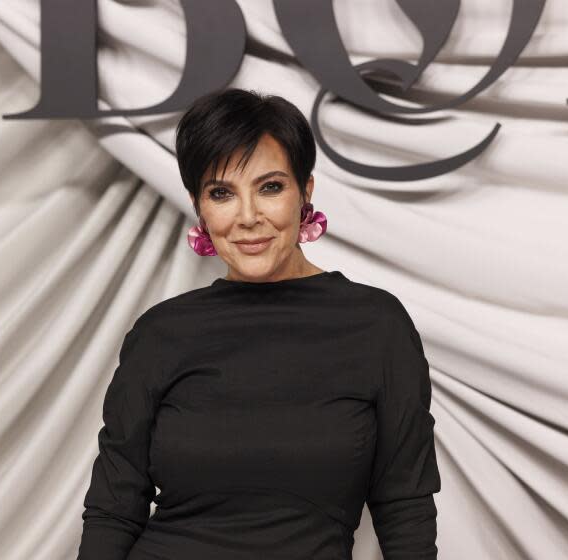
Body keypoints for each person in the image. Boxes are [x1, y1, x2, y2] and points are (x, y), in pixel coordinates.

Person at [77, 88, 441, 559]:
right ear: (199, 206)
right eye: (222, 193)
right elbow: (114, 508)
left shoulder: (376, 326)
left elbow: (405, 508)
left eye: (270, 187)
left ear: (305, 193)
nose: (248, 217)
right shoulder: (161, 333)